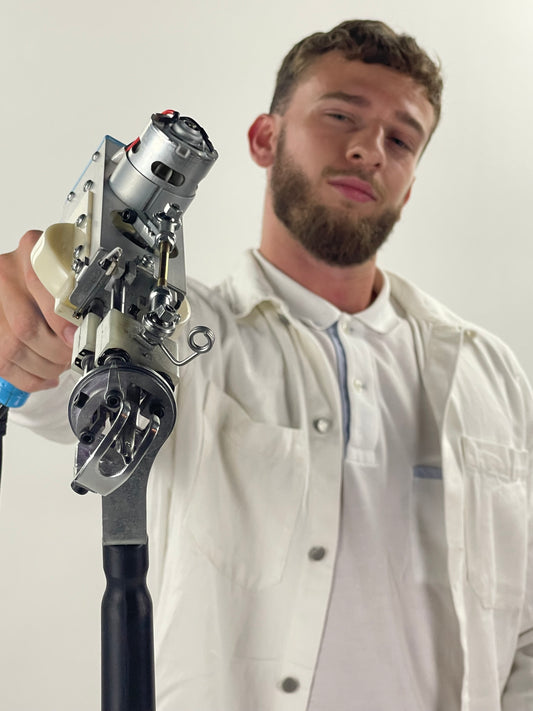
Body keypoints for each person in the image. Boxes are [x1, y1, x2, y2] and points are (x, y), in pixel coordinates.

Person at [0, 19, 531, 711]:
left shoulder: (491, 372)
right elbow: (47, 362)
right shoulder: (165, 331)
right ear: (264, 138)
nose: (369, 147)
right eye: (340, 114)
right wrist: (21, 307)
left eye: (401, 139)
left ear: (410, 183)